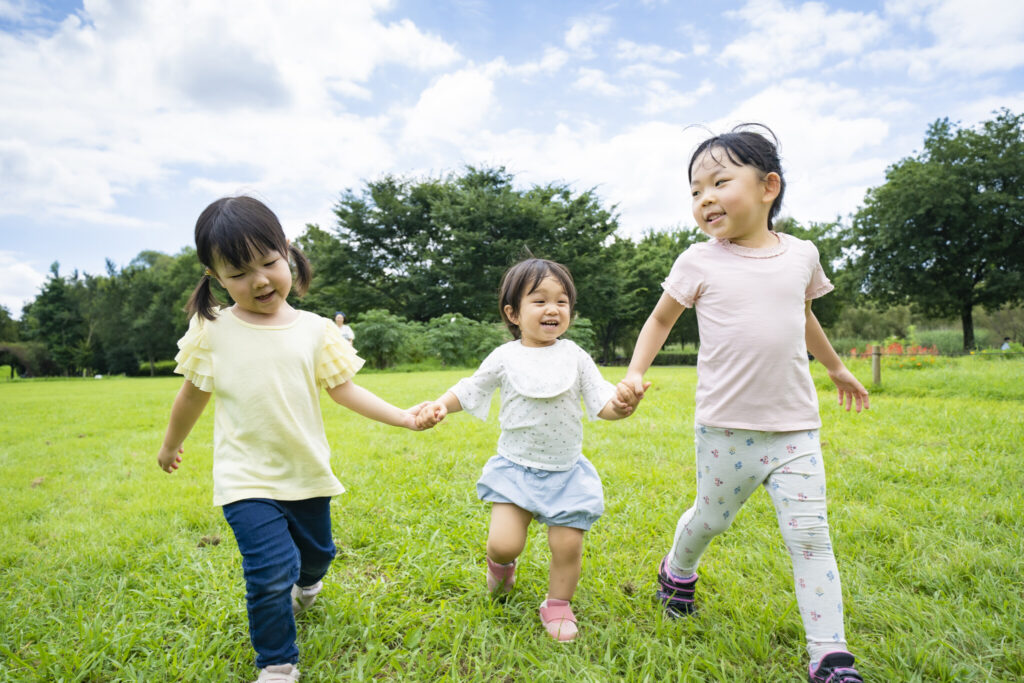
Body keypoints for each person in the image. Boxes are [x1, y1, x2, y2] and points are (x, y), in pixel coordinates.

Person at [617, 125, 868, 683]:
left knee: (809, 535)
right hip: (726, 429)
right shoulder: (699, 262)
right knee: (710, 518)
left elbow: (804, 316)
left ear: (767, 187)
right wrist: (635, 372)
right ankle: (677, 570)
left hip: (795, 428)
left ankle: (830, 656)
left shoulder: (801, 255)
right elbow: (661, 319)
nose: (704, 197)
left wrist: (835, 366)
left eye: (719, 182)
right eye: (694, 190)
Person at [156, 196, 435, 683]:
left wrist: (404, 418)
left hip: (306, 472)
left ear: (287, 253)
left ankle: (309, 583)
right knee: (269, 571)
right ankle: (277, 663)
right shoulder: (212, 331)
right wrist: (170, 444)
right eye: (239, 273)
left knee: (317, 554)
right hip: (245, 478)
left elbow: (345, 391)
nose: (260, 280)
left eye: (268, 263)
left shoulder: (315, 330)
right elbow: (191, 396)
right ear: (214, 277)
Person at [415, 258, 646, 642]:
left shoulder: (575, 356)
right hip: (515, 469)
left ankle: (558, 604)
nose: (553, 309)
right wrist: (441, 404)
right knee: (504, 544)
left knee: (567, 545)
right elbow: (472, 388)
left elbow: (602, 402)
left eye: (562, 301)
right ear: (513, 313)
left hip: (566, 472)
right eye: (539, 301)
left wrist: (622, 407)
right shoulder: (506, 357)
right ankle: (501, 570)